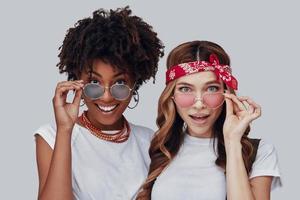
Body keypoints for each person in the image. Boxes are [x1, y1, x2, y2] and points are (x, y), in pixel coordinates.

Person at [34, 6, 164, 200]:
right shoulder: (51, 137)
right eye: (94, 83)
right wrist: (65, 130)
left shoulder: (151, 142)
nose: (106, 97)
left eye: (119, 83)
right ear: (78, 80)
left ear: (134, 84)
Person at [137, 40, 281, 200]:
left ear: (227, 94)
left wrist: (232, 141)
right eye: (185, 89)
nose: (199, 104)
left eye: (211, 88)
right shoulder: (157, 149)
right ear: (172, 96)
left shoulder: (259, 152)